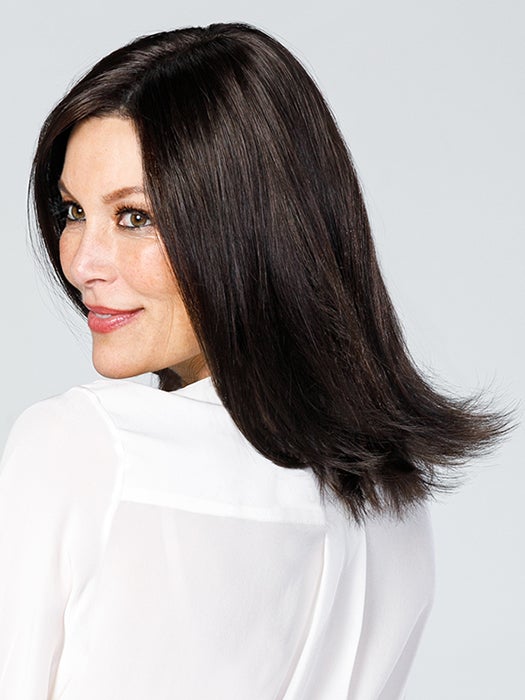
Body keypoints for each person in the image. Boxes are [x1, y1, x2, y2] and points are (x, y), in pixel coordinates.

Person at [0, 22, 512, 700]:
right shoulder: (393, 508)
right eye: (72, 210)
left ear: (245, 230)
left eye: (135, 217)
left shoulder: (85, 449)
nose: (81, 262)